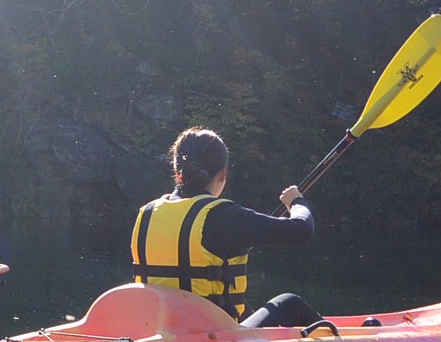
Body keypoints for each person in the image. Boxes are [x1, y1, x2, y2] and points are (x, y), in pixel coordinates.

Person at [132, 126, 320, 328]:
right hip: (212, 339)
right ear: (223, 174)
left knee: (247, 310)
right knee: (289, 304)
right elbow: (302, 230)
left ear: (177, 170)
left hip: (157, 333)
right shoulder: (220, 215)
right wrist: (297, 203)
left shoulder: (148, 212)